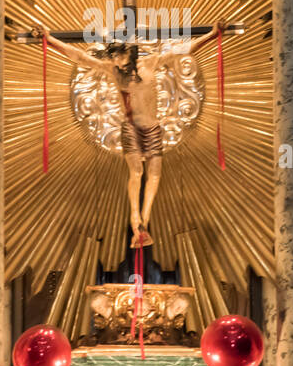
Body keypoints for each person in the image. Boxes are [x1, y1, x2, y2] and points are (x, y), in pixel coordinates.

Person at [40, 21, 223, 248]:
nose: (115, 61)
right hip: (131, 128)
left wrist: (213, 35)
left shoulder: (151, 62)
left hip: (153, 128)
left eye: (118, 56)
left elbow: (185, 49)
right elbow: (80, 57)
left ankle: (143, 224)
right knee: (136, 173)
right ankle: (134, 218)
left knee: (154, 175)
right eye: (113, 57)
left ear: (129, 52)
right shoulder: (112, 71)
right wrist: (51, 41)